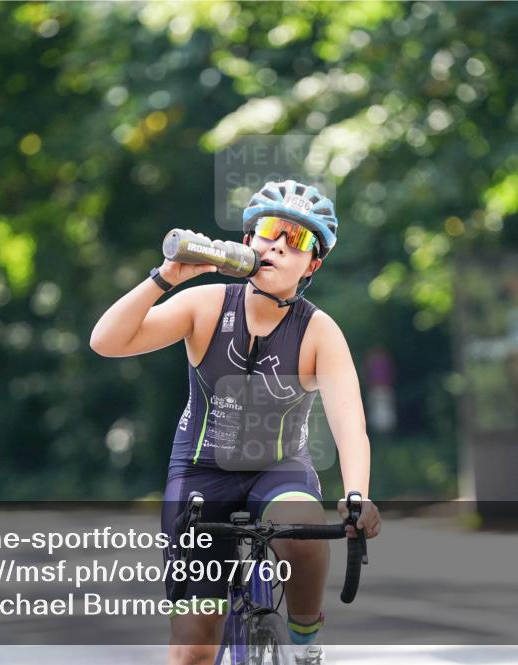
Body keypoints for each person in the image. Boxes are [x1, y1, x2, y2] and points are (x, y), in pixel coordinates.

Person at [91, 179, 381, 665]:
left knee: (303, 528)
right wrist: (165, 278)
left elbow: (350, 422)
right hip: (201, 473)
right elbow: (106, 341)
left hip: (280, 469)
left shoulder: (318, 331)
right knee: (193, 649)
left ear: (313, 264)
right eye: (268, 231)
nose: (277, 246)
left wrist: (356, 495)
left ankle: (306, 640)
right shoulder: (205, 305)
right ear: (247, 242)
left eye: (298, 240)